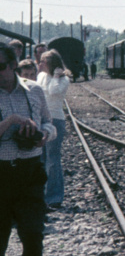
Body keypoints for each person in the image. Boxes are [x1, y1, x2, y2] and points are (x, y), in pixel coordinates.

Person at [0, 43, 55, 256]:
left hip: (30, 174)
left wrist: (43, 135)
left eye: (0, 66)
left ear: (13, 65)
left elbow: (49, 123)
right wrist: (11, 120)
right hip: (1, 176)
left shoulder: (34, 90)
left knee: (33, 236)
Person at [36, 50, 70, 210]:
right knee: (41, 159)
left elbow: (53, 91)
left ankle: (54, 197)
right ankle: (41, 196)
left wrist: (56, 76)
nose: (39, 64)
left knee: (53, 159)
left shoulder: (64, 79)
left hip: (56, 120)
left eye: (43, 61)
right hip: (41, 120)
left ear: (51, 64)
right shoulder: (41, 76)